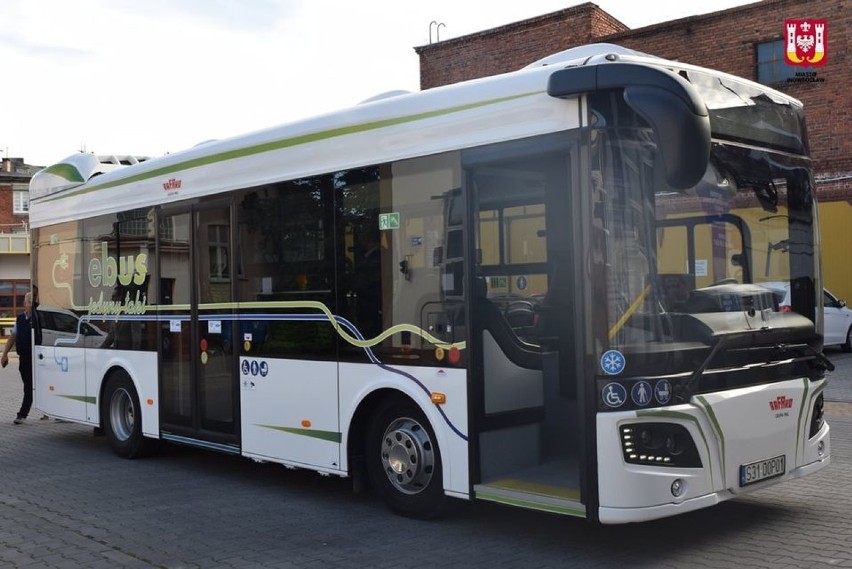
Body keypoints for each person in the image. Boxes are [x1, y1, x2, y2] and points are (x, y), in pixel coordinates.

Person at [1, 292, 34, 424]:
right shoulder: (20, 319)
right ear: (25, 304)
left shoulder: (37, 319)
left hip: (35, 358)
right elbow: (13, 337)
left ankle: (22, 414)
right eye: (29, 302)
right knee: (29, 385)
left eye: (32, 302)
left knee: (29, 386)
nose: (30, 305)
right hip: (23, 358)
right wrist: (4, 354)